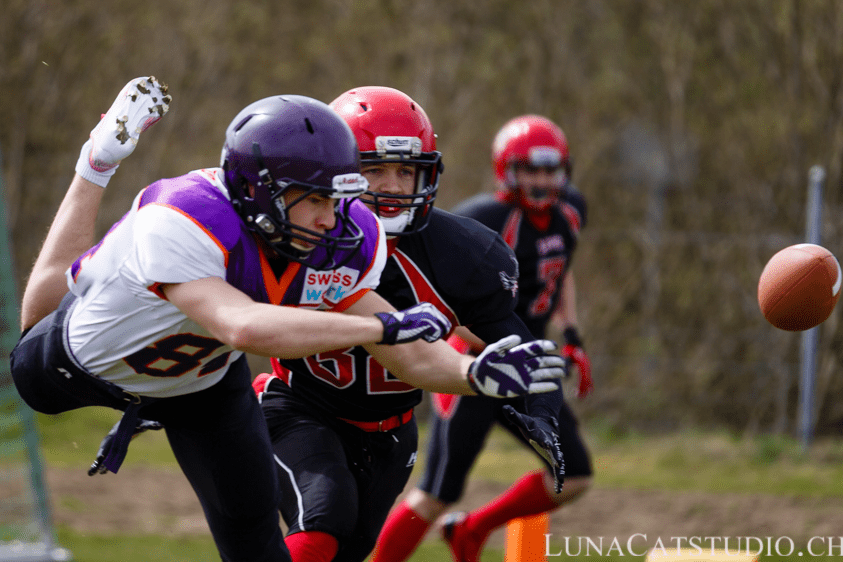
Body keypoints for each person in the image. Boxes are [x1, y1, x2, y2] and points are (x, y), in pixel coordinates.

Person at [10, 78, 564, 562]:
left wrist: (471, 374)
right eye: (315, 200)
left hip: (200, 385)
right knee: (35, 347)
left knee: (259, 543)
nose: (333, 218)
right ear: (257, 192)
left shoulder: (344, 234)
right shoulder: (182, 216)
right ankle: (96, 161)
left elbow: (409, 351)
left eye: (338, 198)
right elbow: (244, 328)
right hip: (83, 367)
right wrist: (378, 327)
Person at [252, 88, 570, 562]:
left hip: (392, 430)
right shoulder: (300, 235)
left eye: (406, 171)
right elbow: (224, 311)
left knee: (350, 550)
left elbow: (521, 346)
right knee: (323, 521)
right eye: (375, 170)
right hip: (300, 407)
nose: (395, 186)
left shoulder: (458, 253)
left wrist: (543, 413)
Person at [374, 114, 595, 562]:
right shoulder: (482, 219)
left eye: (550, 170)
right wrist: (486, 351)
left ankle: (472, 530)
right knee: (436, 493)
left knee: (573, 474)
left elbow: (559, 271)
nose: (541, 181)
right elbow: (442, 295)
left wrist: (571, 334)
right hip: (475, 364)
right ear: (507, 170)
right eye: (530, 169)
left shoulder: (570, 211)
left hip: (529, 363)